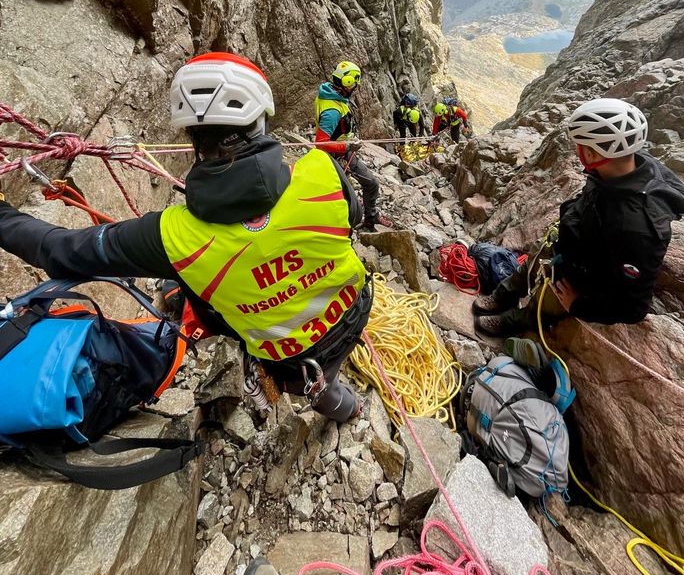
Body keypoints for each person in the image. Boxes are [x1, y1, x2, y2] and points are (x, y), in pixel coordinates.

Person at [0, 52, 372, 422]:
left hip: (286, 362)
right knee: (323, 363)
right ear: (260, 121)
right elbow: (349, 221)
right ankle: (344, 405)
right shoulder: (322, 174)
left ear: (193, 137)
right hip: (354, 314)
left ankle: (332, 400)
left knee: (189, 283)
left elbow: (58, 250)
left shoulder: (171, 235)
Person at [474, 97, 684, 336]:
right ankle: (503, 294)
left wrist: (578, 305)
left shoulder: (636, 228)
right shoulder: (633, 164)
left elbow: (633, 307)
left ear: (591, 154)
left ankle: (517, 319)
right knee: (534, 259)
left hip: (583, 271)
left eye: (580, 145)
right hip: (573, 239)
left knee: (550, 298)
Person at [314, 60, 392, 230]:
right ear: (346, 83)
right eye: (353, 84)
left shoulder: (330, 95)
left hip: (340, 152)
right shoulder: (332, 111)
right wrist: (347, 147)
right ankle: (364, 219)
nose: (355, 88)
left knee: (343, 191)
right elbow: (320, 143)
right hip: (338, 156)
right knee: (371, 184)